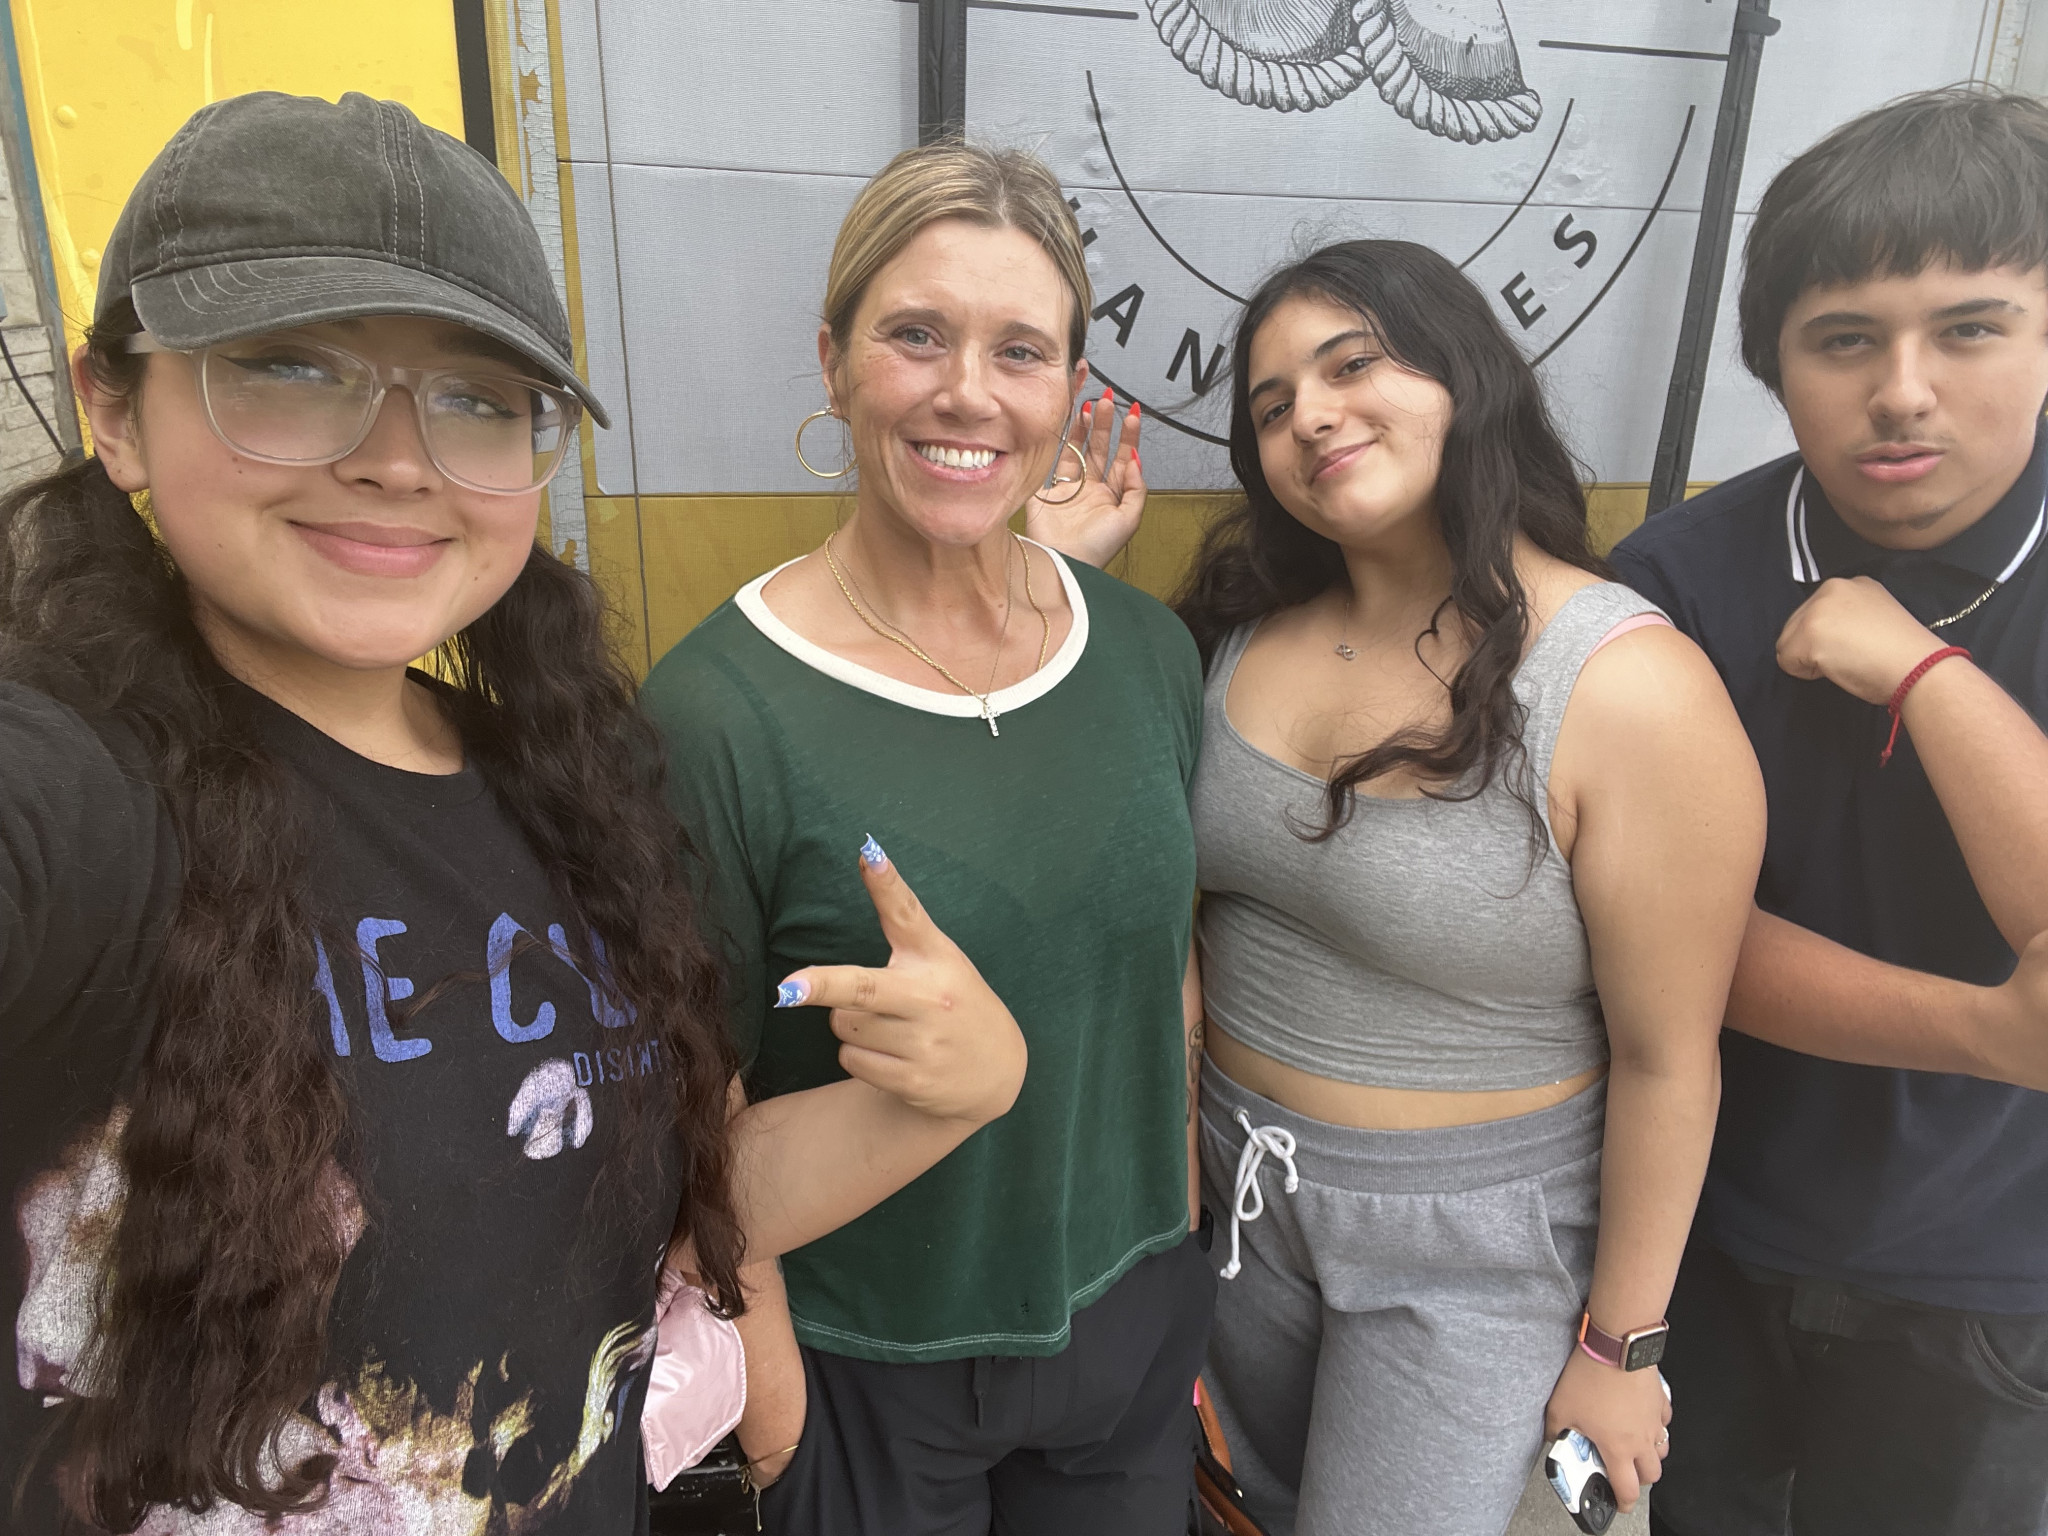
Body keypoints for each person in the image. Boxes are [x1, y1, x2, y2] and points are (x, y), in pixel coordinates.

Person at [0, 93, 1027, 1534]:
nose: (399, 458)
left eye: (478, 398)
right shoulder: (83, 799)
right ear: (116, 410)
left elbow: (666, 1200)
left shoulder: (568, 793)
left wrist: (949, 1098)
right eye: (291, 367)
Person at [640, 141, 1211, 1536]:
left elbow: (1166, 983)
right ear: (833, 362)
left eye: (1020, 350)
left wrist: (1176, 1263)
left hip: (1130, 1333)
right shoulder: (717, 712)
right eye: (915, 335)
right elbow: (690, 1125)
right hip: (869, 1369)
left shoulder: (1146, 652)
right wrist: (780, 1431)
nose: (968, 391)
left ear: (1069, 389)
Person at [1175, 239, 1765, 1536]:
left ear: (1466, 378)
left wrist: (1622, 1349)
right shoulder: (1233, 629)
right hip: (1237, 1199)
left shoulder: (1626, 688)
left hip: (1476, 1253)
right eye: (1271, 405)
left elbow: (1671, 1058)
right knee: (1237, 1515)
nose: (1310, 415)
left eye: (1351, 366)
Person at [1609, 86, 2048, 1536]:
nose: (1903, 390)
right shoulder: (1674, 581)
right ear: (1777, 362)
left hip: (1994, 1272)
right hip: (1712, 1232)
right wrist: (1991, 1031)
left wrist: (1924, 674)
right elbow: (1661, 939)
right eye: (1845, 339)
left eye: (1970, 329)